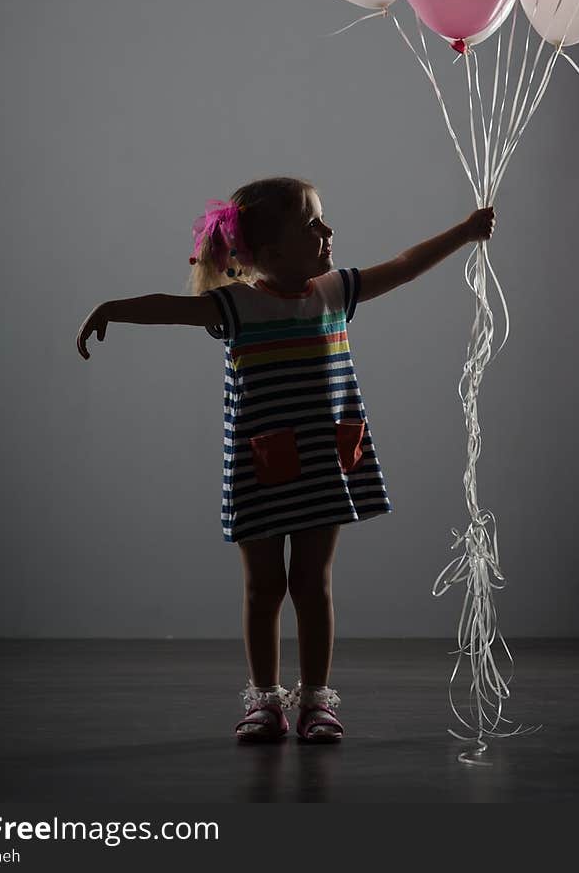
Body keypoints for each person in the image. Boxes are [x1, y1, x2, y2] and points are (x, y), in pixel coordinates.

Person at [76, 175, 495, 744]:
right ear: (269, 252)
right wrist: (112, 309)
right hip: (262, 466)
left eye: (323, 221)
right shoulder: (237, 305)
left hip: (324, 462)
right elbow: (171, 309)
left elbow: (404, 264)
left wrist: (466, 233)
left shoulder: (334, 291)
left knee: (313, 585)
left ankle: (318, 699)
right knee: (263, 587)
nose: (328, 231)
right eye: (312, 226)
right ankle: (265, 699)